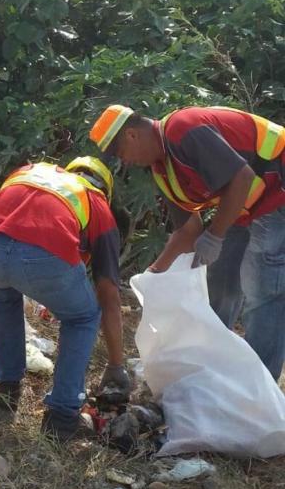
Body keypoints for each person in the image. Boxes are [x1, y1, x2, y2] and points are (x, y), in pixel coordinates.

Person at [90, 103, 285, 380]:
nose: (126, 162)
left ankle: (259, 384)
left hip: (277, 188)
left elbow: (242, 178)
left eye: (121, 153)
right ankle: (214, 368)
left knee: (262, 289)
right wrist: (154, 273)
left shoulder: (184, 129)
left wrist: (216, 236)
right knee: (221, 285)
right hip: (245, 207)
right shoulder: (162, 171)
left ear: (132, 135)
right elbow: (188, 230)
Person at [0, 156, 129, 440]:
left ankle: (5, 390)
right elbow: (109, 297)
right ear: (105, 189)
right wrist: (116, 365)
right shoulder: (96, 202)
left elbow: (9, 230)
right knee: (82, 317)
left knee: (2, 292)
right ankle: (62, 417)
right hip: (41, 255)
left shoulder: (30, 171)